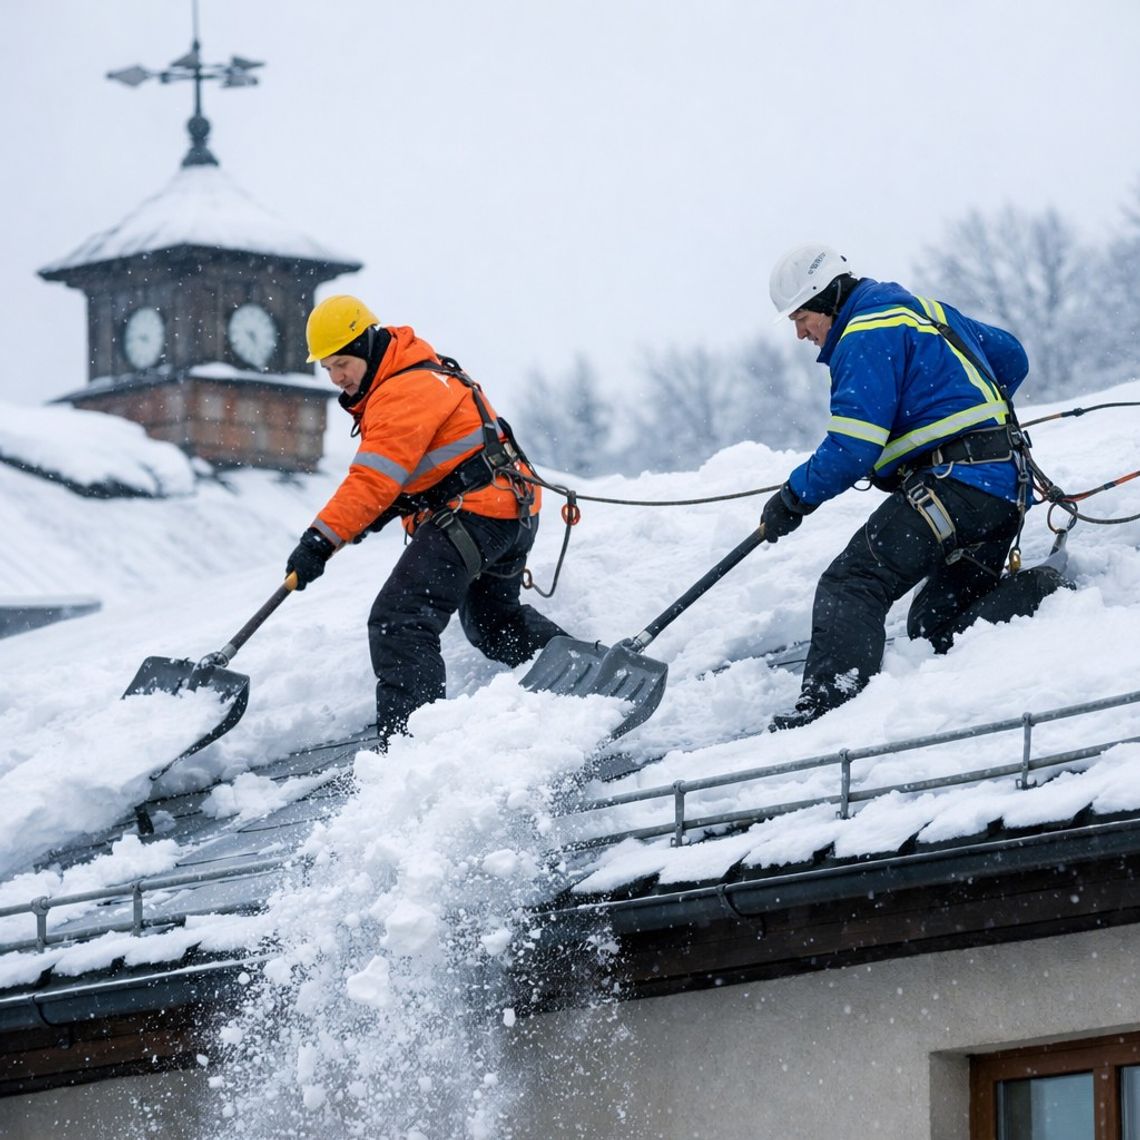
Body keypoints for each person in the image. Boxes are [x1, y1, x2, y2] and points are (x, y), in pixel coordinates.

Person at [761, 244, 1060, 731]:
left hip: (956, 489)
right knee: (934, 628)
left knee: (852, 583)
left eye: (801, 317)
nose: (800, 333)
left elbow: (853, 445)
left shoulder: (864, 331)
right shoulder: (923, 310)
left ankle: (828, 715)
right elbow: (1011, 356)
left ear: (830, 298)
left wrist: (793, 499)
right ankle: (1044, 592)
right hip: (1003, 491)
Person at [285, 295, 567, 746]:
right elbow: (417, 474)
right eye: (327, 369)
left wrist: (319, 540)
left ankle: (409, 749)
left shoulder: (401, 392)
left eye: (341, 363)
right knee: (495, 626)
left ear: (365, 347)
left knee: (399, 620)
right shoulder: (419, 372)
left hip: (477, 515)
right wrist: (370, 519)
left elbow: (372, 481)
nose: (337, 378)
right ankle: (584, 675)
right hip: (507, 512)